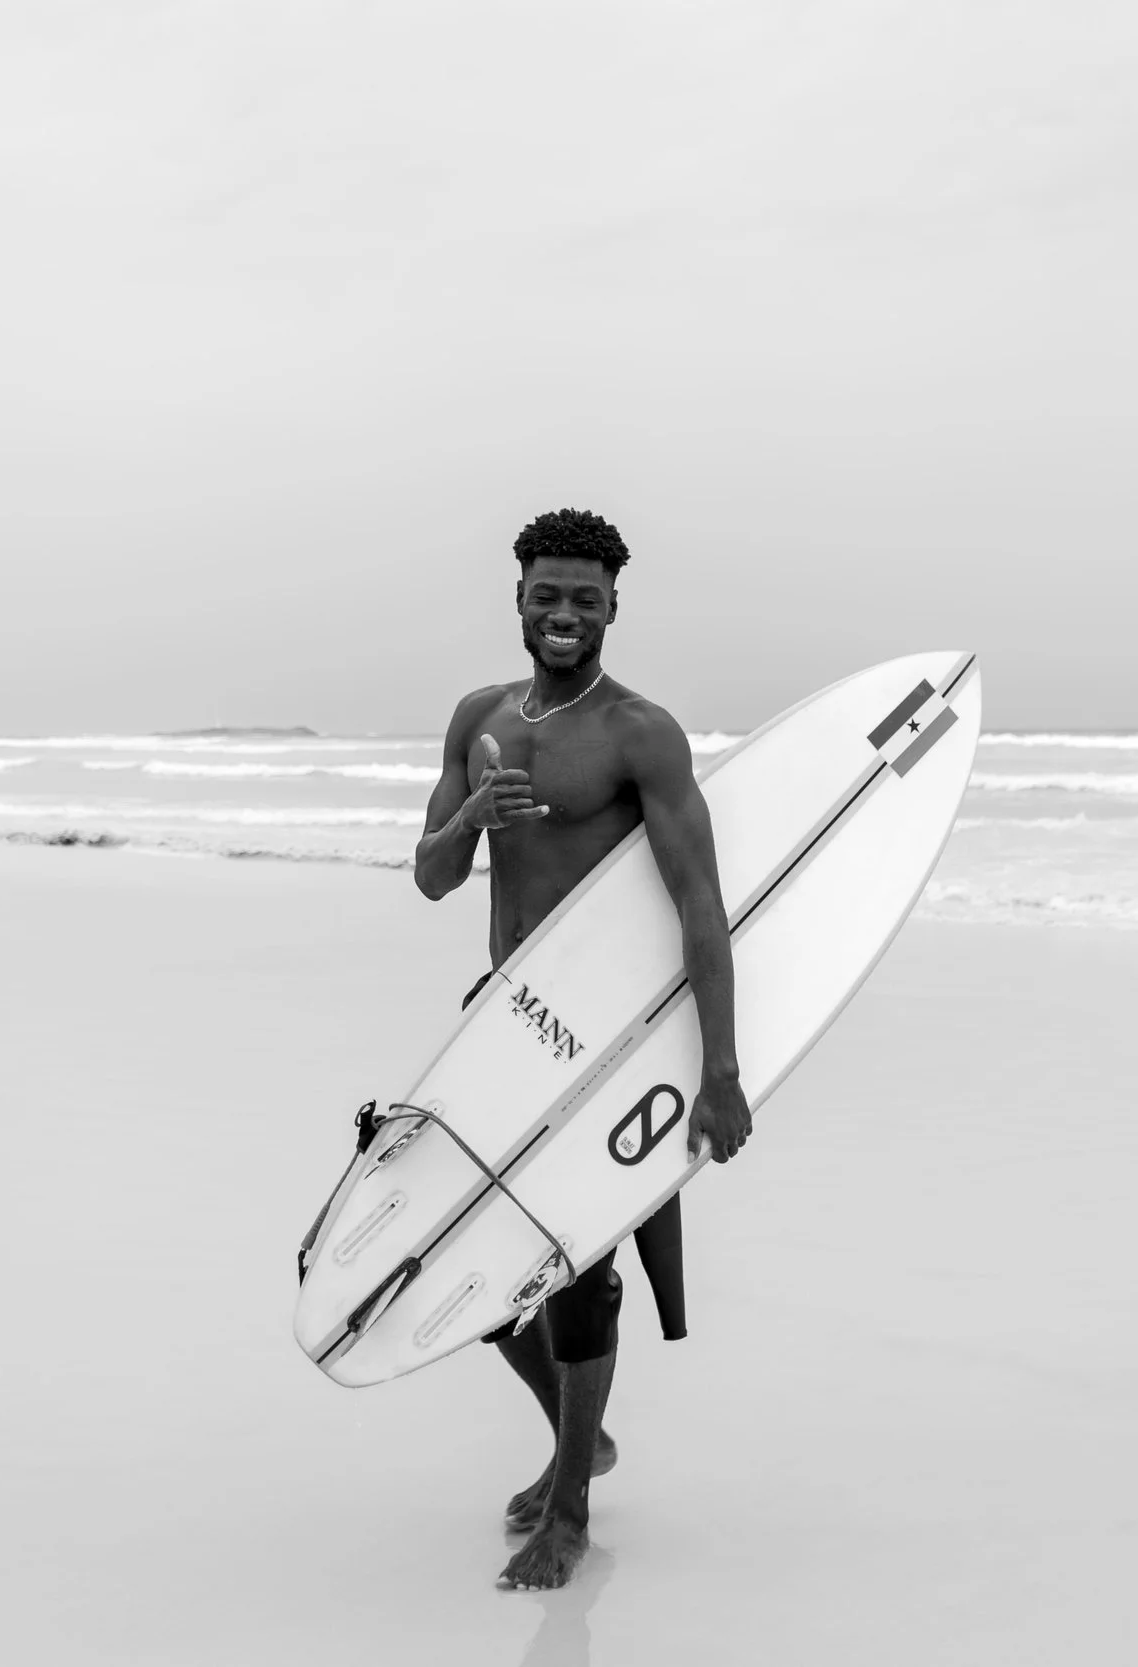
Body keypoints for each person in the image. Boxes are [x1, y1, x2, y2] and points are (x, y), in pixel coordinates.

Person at [413, 507, 751, 1593]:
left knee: (580, 1270)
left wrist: (721, 1071)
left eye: (586, 598)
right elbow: (430, 876)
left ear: (612, 607)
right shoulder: (476, 717)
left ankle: (569, 1509)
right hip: (501, 1023)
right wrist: (472, 812)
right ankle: (581, 1437)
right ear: (518, 599)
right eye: (547, 594)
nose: (564, 613)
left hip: (603, 1042)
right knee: (455, 1249)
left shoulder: (639, 733)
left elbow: (701, 906)